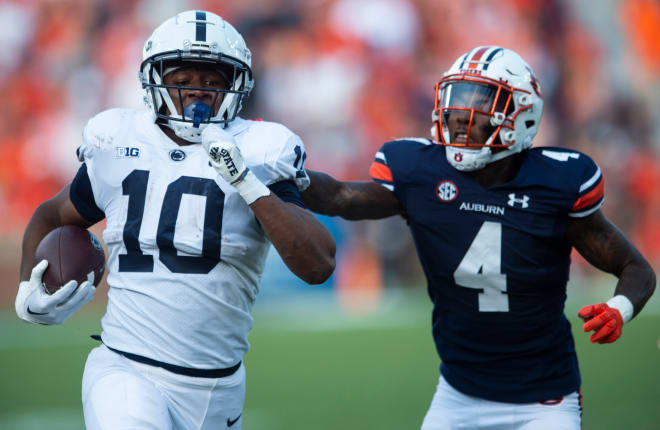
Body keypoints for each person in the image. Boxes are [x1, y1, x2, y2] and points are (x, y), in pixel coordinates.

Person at [302, 46, 656, 429]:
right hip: (457, 396)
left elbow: (635, 268)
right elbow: (340, 196)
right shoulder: (422, 172)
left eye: (481, 104)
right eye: (456, 100)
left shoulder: (556, 184)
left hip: (545, 400)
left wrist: (620, 307)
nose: (459, 117)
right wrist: (284, 173)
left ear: (521, 115)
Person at [15, 10, 336, 430]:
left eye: (211, 82)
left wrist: (245, 180)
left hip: (219, 389)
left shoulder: (259, 149)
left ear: (237, 85)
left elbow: (318, 265)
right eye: (182, 81)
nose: (196, 94)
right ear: (154, 80)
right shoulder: (120, 141)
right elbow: (50, 215)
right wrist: (27, 290)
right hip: (127, 370)